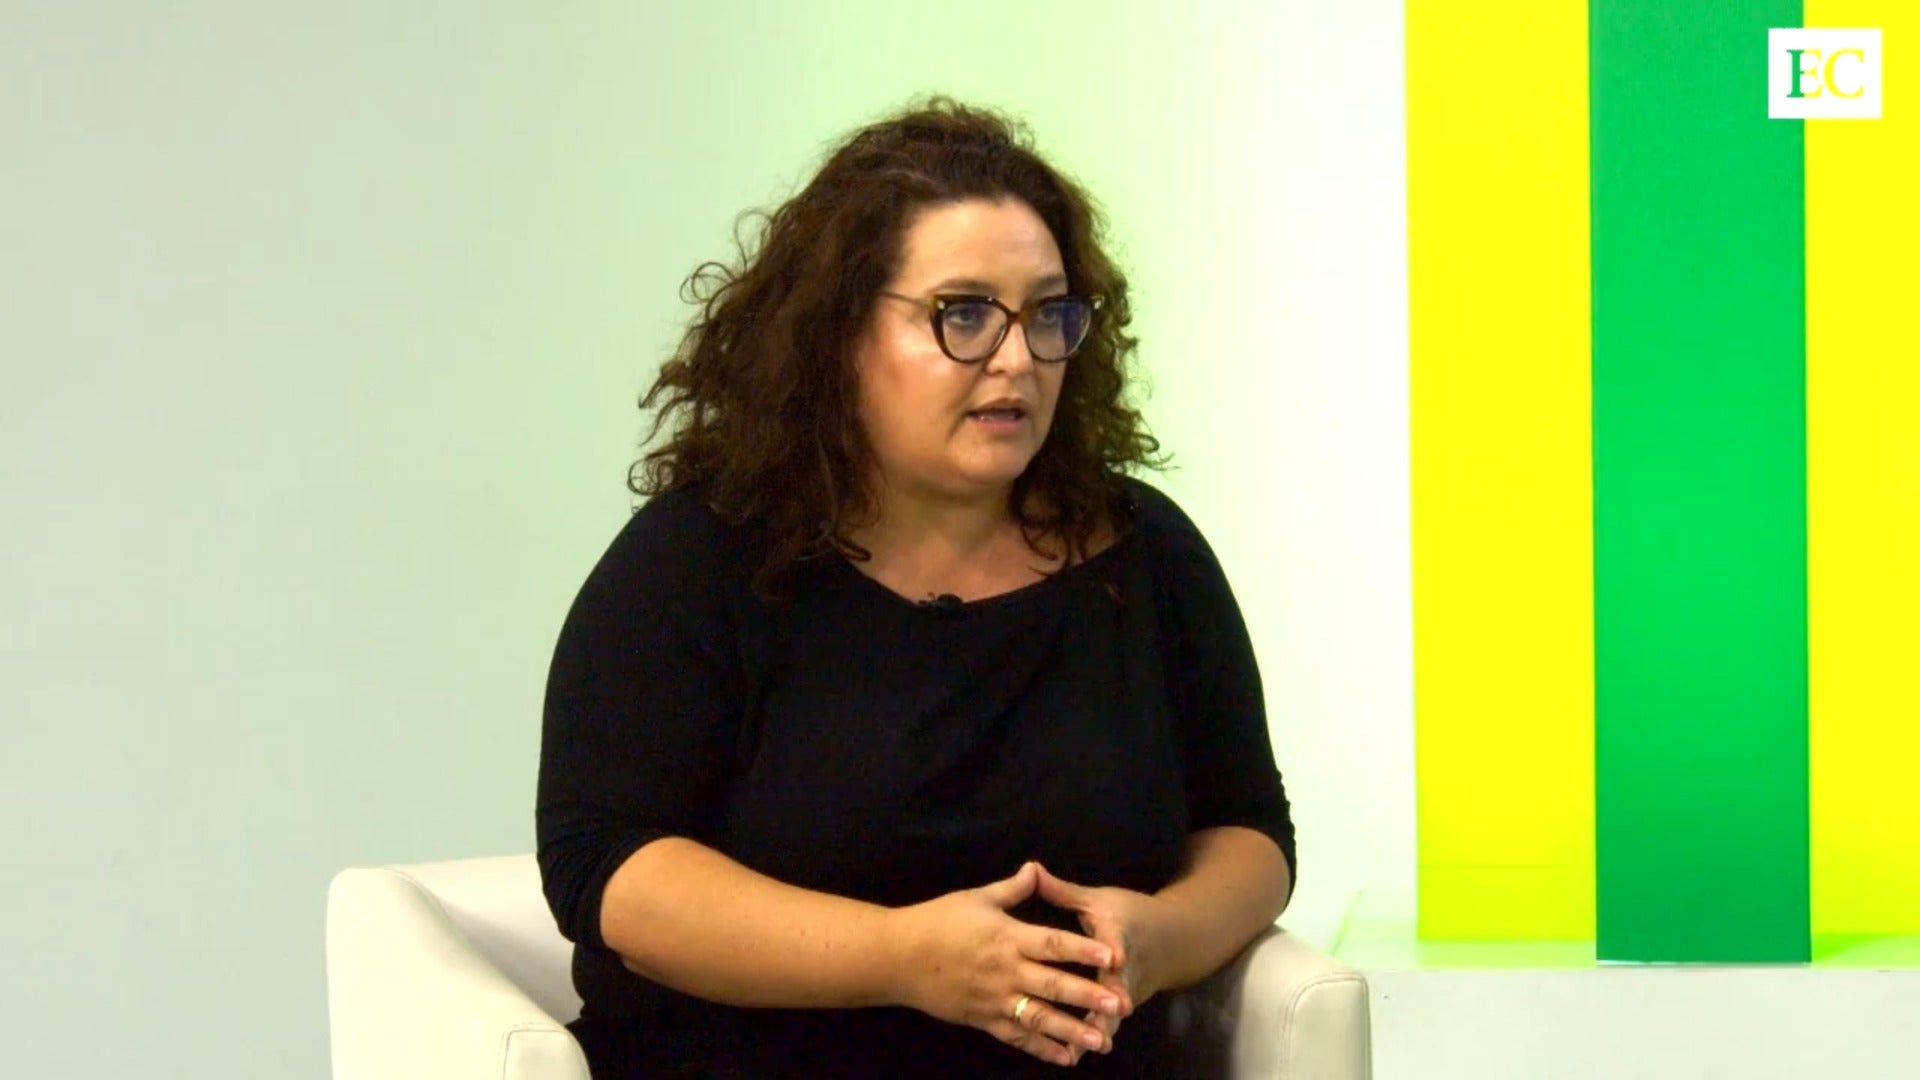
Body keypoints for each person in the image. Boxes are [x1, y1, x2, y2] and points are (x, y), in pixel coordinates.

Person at [536, 97, 1296, 1079]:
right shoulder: (700, 559)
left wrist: (1162, 938)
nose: (1017, 359)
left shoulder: (1147, 555)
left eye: (1049, 314)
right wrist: (904, 960)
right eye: (964, 315)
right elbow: (605, 866)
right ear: (839, 333)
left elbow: (1251, 829)